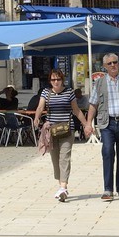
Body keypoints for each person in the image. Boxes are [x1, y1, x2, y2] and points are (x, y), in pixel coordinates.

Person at [86, 54, 119, 201]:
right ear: (105, 66)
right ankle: (108, 189)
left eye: (115, 62)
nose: (113, 65)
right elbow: (93, 104)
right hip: (107, 123)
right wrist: (88, 123)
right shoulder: (99, 83)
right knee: (108, 152)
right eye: (109, 63)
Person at [31, 70, 90, 202]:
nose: (56, 82)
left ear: (62, 80)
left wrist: (86, 124)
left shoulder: (69, 92)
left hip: (67, 130)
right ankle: (61, 187)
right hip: (51, 131)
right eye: (53, 80)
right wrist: (36, 117)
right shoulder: (46, 92)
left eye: (58, 79)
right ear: (50, 81)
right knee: (55, 159)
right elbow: (40, 107)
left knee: (65, 157)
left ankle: (63, 187)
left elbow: (76, 110)